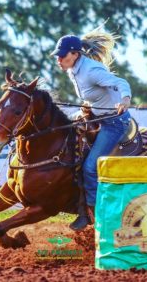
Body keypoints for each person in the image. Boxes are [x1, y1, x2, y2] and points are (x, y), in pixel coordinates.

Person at [50, 30, 132, 230]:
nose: (59, 59)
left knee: (89, 167)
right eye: (58, 56)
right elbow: (93, 95)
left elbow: (120, 82)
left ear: (75, 54)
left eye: (62, 55)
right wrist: (85, 109)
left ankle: (94, 214)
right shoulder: (73, 70)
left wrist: (125, 99)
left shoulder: (91, 70)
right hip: (96, 118)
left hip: (114, 123)